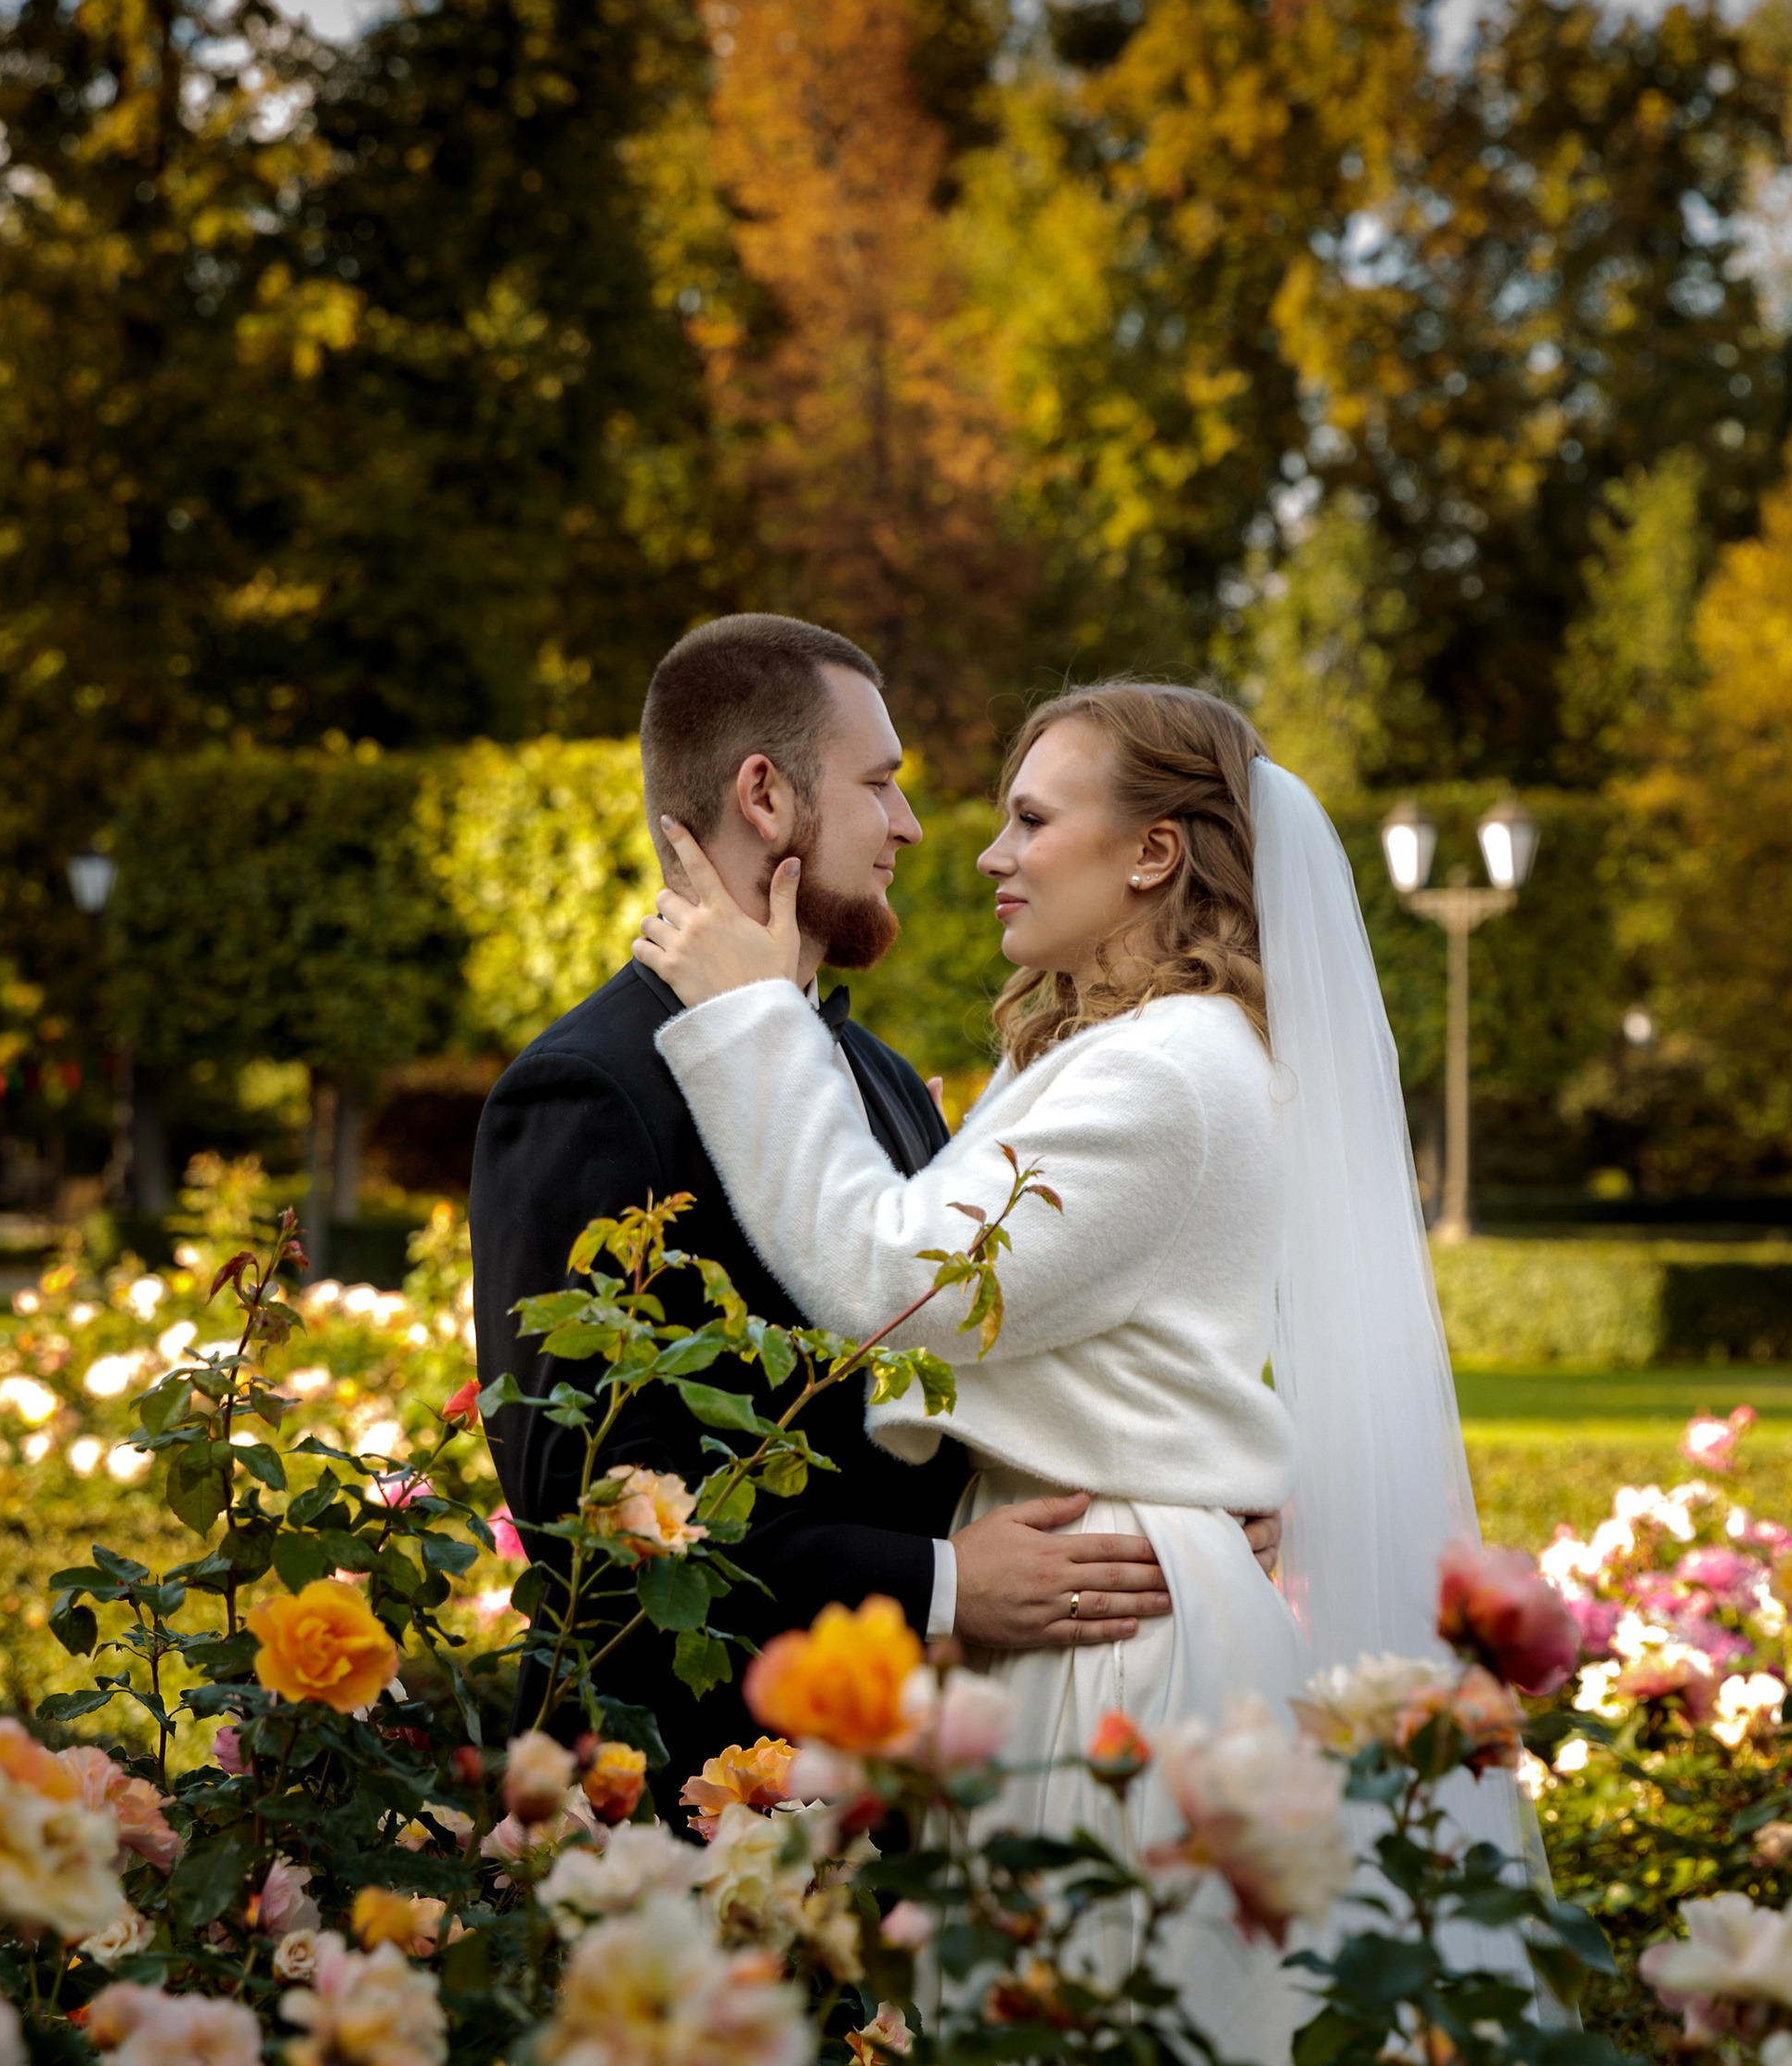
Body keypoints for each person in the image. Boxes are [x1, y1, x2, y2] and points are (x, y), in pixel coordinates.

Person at [635, 680, 1542, 2052]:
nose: (991, 852)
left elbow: (897, 1283)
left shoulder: (1164, 1072)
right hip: (1096, 1591)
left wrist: (752, 1015)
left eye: (1031, 817)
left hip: (1105, 1645)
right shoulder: (1128, 1048)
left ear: (1153, 854)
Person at [469, 617, 1272, 1806]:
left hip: (905, 1785)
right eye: (881, 785)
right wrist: (939, 1583)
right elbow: (590, 1514)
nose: (913, 827)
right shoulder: (591, 1085)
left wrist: (1188, 1489)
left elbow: (956, 1364)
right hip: (681, 1801)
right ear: (765, 794)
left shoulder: (883, 1078)